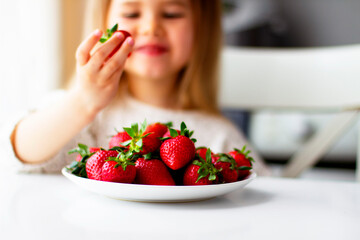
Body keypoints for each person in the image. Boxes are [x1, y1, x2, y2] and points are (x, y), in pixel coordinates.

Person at [0, 0, 270, 176]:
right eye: (131, 13)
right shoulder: (80, 116)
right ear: (103, 25)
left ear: (204, 29)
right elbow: (14, 155)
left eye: (171, 13)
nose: (151, 27)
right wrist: (83, 104)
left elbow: (263, 196)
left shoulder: (220, 137)